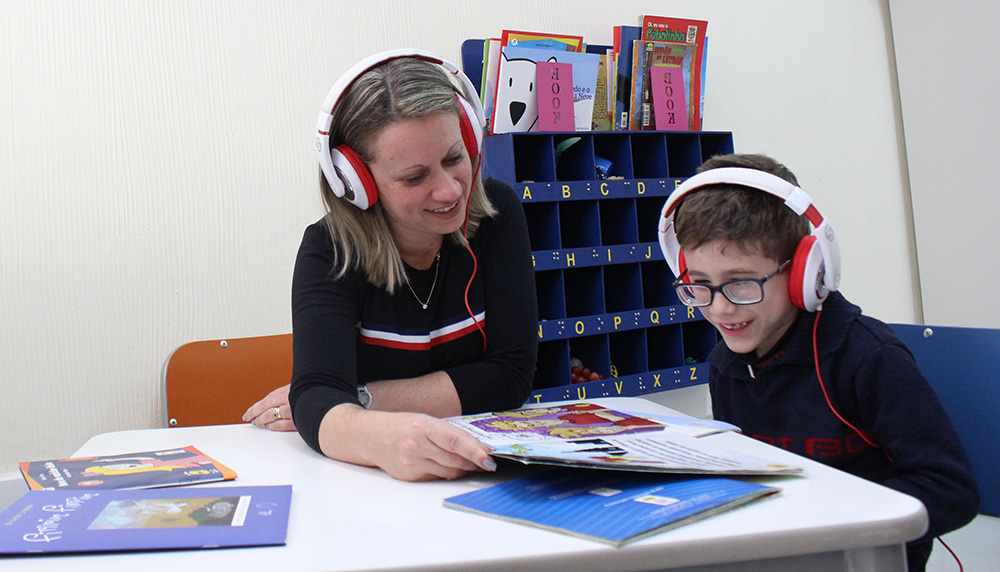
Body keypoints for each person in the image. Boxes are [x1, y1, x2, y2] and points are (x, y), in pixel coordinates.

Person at [657, 153, 979, 572]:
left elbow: (950, 488)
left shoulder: (867, 357)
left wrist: (828, 521)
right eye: (699, 284)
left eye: (740, 282)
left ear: (805, 273)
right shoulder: (727, 364)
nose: (719, 309)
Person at [242, 49, 538, 481]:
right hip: (365, 488)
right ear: (356, 182)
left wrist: (357, 402)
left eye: (454, 158)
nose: (448, 191)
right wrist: (372, 433)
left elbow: (510, 377)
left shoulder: (497, 215)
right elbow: (317, 401)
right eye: (415, 178)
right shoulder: (329, 250)